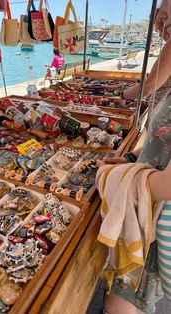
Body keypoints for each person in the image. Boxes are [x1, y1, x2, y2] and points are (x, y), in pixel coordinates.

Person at [100, 1, 171, 313]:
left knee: (122, 301)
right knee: (124, 297)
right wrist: (131, 159)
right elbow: (161, 138)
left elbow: (168, 186)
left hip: (156, 220)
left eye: (165, 9)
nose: (159, 16)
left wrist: (112, 178)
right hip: (149, 219)